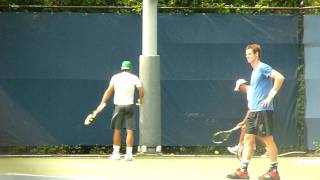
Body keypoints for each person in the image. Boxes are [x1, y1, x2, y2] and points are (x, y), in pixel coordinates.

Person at [227, 44, 285, 180]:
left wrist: (271, 96)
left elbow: (280, 77)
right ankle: (243, 171)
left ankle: (274, 171)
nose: (247, 56)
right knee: (248, 139)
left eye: (250, 54)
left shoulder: (262, 67)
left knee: (268, 140)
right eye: (246, 54)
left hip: (263, 110)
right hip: (254, 111)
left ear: (256, 54)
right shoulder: (254, 71)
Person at [94, 60, 144, 161]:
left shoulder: (115, 77)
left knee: (117, 130)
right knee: (130, 131)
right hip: (129, 107)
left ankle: (116, 154)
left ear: (122, 68)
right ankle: (129, 155)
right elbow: (141, 90)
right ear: (130, 68)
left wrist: (102, 103)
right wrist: (140, 99)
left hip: (118, 107)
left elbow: (109, 91)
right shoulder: (134, 77)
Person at [228, 79, 268, 158]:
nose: (240, 90)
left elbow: (251, 109)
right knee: (249, 130)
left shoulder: (250, 91)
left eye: (239, 88)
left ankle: (242, 147)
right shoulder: (251, 90)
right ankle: (252, 147)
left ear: (242, 85)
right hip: (260, 111)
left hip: (258, 112)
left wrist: (243, 121)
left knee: (247, 128)